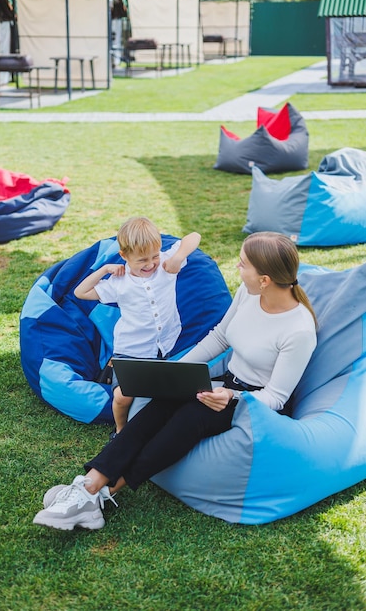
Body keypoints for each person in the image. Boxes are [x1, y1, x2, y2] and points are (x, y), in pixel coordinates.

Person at [33, 231, 317, 532]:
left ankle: (102, 494)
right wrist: (175, 372)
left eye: (243, 264)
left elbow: (277, 397)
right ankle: (89, 485)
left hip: (252, 402)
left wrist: (233, 398)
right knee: (159, 405)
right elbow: (220, 336)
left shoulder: (298, 330)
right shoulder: (249, 293)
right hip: (225, 383)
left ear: (265, 279)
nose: (238, 268)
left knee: (188, 419)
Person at [74, 216, 201, 435]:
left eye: (154, 256)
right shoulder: (119, 282)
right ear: (124, 256)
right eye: (142, 260)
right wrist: (104, 270)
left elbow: (194, 237)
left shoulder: (165, 263)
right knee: (123, 396)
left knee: (168, 390)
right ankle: (121, 430)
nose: (150, 264)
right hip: (131, 349)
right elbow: (81, 292)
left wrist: (177, 257)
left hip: (165, 344)